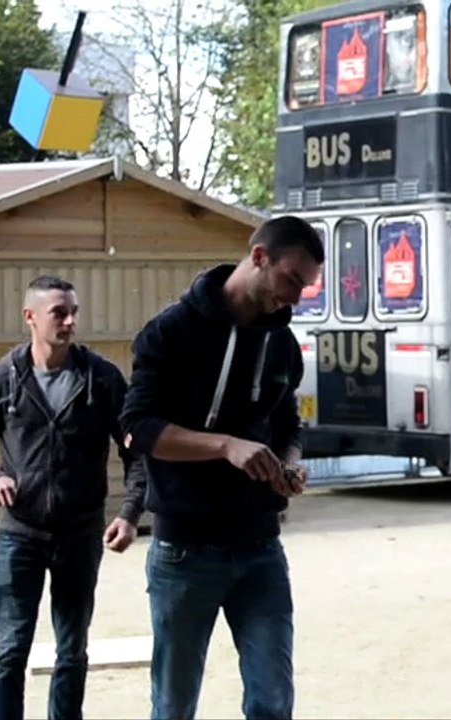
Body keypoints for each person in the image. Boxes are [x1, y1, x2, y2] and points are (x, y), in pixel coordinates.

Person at [119, 216, 323, 720]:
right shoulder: (170, 332)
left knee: (273, 701)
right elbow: (140, 429)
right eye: (292, 280)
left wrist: (290, 464)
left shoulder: (282, 344)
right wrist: (225, 446)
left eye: (306, 286)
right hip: (185, 552)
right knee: (174, 705)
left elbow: (287, 425)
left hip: (260, 549)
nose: (296, 298)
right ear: (258, 257)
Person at [0, 274, 147, 720]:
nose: (70, 321)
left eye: (73, 312)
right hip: (20, 535)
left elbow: (138, 451)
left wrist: (130, 513)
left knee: (72, 651)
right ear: (30, 317)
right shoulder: (1, 378)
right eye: (60, 312)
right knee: (11, 650)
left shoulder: (102, 379)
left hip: (80, 534)